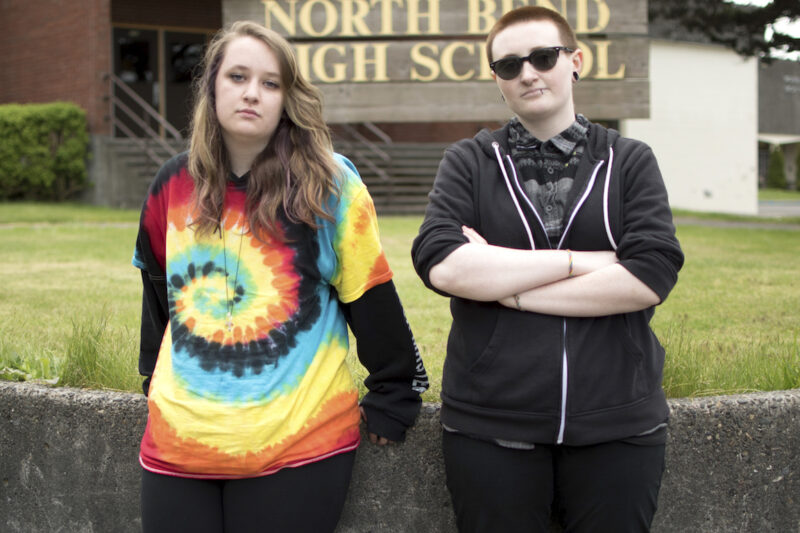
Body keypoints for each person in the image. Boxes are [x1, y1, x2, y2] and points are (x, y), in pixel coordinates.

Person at [132, 21, 428, 533]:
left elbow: (370, 292)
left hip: (297, 442)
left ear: (288, 98)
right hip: (179, 442)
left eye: (271, 83)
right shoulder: (171, 185)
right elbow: (159, 291)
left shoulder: (329, 186)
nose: (252, 93)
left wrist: (394, 390)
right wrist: (148, 377)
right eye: (238, 77)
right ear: (212, 87)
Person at [411, 6, 684, 533]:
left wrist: (507, 289)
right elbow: (442, 263)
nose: (528, 73)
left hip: (618, 421)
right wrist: (578, 263)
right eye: (509, 65)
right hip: (491, 423)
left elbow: (650, 275)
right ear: (497, 80)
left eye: (542, 56)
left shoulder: (628, 161)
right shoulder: (469, 161)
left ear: (575, 61)